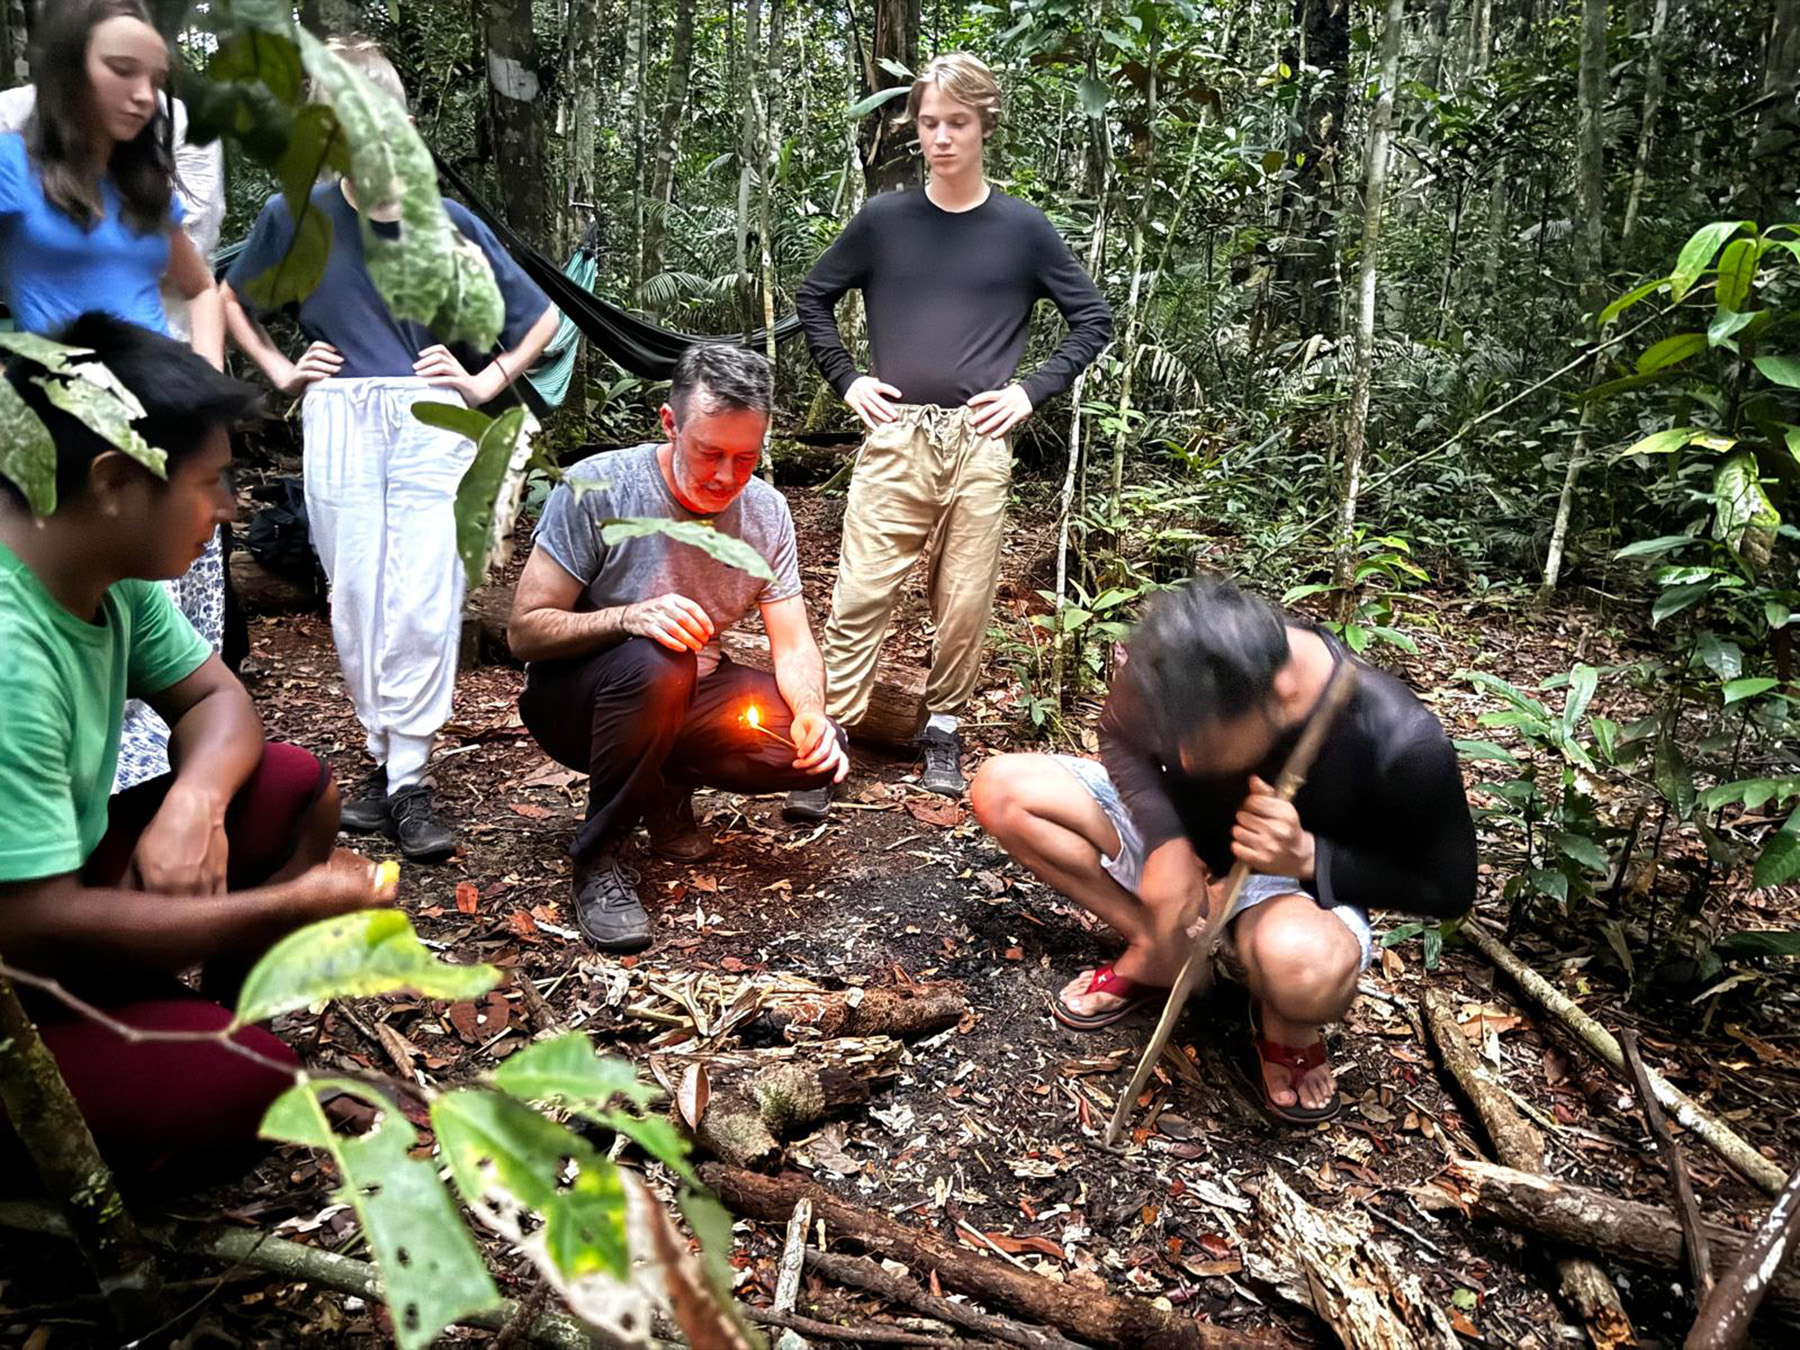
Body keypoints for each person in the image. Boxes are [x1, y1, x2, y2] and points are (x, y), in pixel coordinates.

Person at [0, 314, 393, 1178]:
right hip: (16, 967)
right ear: (114, 481)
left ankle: (191, 1020)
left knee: (291, 786)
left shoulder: (99, 569)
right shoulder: (11, 651)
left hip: (52, 895)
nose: (229, 509)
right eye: (210, 482)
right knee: (250, 1086)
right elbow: (28, 926)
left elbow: (218, 699)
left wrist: (195, 801)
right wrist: (286, 908)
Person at [222, 38, 558, 862]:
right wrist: (281, 370)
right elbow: (232, 299)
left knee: (423, 596)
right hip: (339, 412)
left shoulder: (447, 223)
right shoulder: (294, 217)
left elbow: (542, 318)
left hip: (429, 415)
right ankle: (387, 756)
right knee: (355, 596)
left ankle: (408, 778)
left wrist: (483, 381)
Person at [971, 577, 1476, 1124]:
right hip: (1180, 840)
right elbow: (1118, 734)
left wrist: (1310, 856)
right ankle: (1161, 948)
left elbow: (1446, 888)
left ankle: (1287, 1025)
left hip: (1285, 886)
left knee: (1306, 970)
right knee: (1005, 790)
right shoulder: (1181, 658)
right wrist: (1165, 839)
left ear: (1276, 697)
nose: (1185, 760)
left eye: (1204, 738)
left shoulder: (1396, 738)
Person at [790, 51, 1111, 815]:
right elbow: (814, 297)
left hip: (978, 440)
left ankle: (943, 730)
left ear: (984, 125)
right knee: (861, 592)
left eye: (957, 123)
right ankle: (829, 742)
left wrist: (1028, 393)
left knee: (964, 600)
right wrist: (849, 380)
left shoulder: (1022, 228)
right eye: (930, 122)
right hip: (896, 434)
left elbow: (1092, 319)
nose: (940, 137)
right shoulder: (885, 221)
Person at [509, 344, 849, 954]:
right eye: (709, 453)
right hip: (578, 703)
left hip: (688, 694)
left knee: (817, 751)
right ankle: (598, 857)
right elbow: (526, 630)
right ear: (670, 424)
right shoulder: (599, 487)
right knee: (660, 659)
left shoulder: (766, 512)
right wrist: (628, 617)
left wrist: (810, 714)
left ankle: (663, 792)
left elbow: (795, 642)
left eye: (746, 457)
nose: (726, 476)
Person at [0, 0, 231, 794]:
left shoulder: (143, 186)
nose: (143, 95)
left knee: (178, 624)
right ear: (71, 71)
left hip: (163, 417)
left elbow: (200, 288)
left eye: (155, 79)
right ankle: (82, 804)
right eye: (122, 71)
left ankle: (178, 791)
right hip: (68, 429)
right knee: (84, 617)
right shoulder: (13, 165)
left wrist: (203, 384)